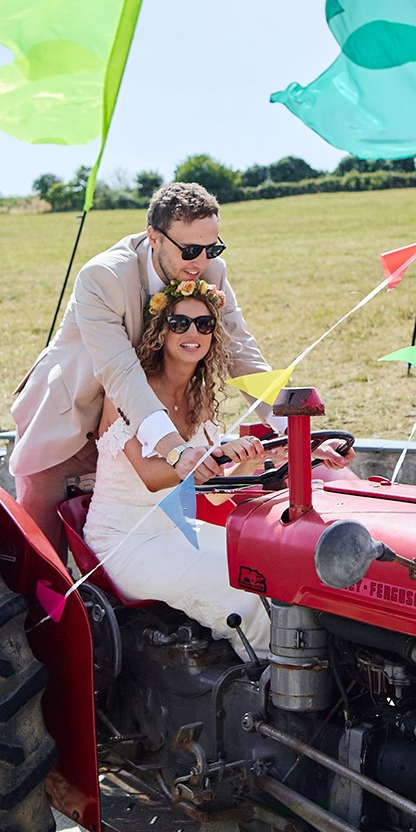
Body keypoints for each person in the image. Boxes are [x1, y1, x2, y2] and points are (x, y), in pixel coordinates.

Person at [11, 180, 274, 552]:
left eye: (211, 248)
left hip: (138, 436)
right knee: (41, 562)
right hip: (67, 426)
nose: (201, 262)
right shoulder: (102, 277)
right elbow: (121, 372)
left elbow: (241, 350)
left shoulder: (210, 271)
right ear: (154, 236)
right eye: (190, 250)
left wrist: (292, 423)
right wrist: (175, 450)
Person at [83, 279, 273, 659]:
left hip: (176, 530)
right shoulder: (128, 393)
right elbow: (152, 477)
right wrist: (215, 453)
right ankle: (269, 672)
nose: (193, 333)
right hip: (123, 542)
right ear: (161, 331)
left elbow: (212, 493)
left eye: (204, 324)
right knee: (245, 588)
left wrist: (248, 460)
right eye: (180, 323)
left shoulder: (199, 399)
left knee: (268, 563)